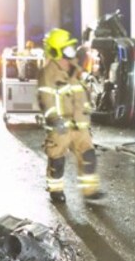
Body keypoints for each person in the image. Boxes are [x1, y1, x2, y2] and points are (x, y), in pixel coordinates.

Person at [37, 28, 103, 203]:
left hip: (80, 125)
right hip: (61, 126)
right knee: (57, 160)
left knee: (88, 156)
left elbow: (81, 92)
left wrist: (87, 111)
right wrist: (54, 119)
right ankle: (55, 190)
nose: (70, 53)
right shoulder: (48, 73)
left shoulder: (74, 68)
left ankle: (90, 191)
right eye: (66, 49)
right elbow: (45, 99)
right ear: (56, 50)